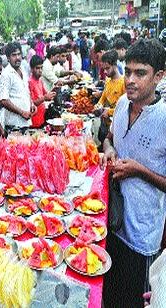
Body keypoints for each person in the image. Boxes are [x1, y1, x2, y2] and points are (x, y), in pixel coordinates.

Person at [102, 38, 166, 308]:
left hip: (142, 236)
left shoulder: (163, 118)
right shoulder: (119, 106)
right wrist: (108, 149)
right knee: (111, 295)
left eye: (140, 73)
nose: (130, 79)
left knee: (134, 301)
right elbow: (109, 138)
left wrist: (139, 170)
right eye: (127, 71)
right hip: (113, 223)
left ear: (159, 77)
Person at [0, 42, 34, 129]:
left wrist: (31, 104)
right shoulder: (6, 74)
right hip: (14, 124)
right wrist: (22, 112)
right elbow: (4, 100)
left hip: (26, 122)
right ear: (8, 58)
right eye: (14, 55)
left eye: (19, 54)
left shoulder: (23, 70)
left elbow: (26, 92)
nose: (17, 58)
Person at [94, 50, 125, 143]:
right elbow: (102, 99)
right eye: (104, 69)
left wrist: (109, 111)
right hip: (106, 125)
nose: (105, 71)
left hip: (118, 126)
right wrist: (98, 106)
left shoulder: (123, 83)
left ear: (115, 65)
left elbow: (125, 108)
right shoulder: (108, 81)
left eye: (107, 68)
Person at [28, 55, 56, 128]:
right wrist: (44, 98)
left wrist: (55, 90)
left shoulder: (40, 80)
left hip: (42, 117)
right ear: (31, 69)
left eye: (41, 68)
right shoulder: (30, 82)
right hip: (34, 120)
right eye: (37, 68)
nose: (40, 70)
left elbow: (46, 94)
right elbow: (32, 103)